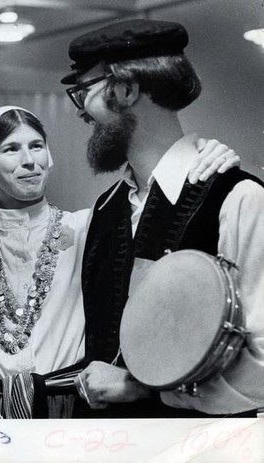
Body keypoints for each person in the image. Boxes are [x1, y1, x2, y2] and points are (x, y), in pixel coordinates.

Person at [0, 105, 240, 418]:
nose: (30, 161)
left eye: (36, 146)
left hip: (75, 406)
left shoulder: (90, 226)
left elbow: (151, 194)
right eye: (11, 149)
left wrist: (205, 153)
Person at [60, 19, 264, 417]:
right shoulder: (105, 209)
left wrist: (143, 389)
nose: (81, 111)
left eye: (83, 91)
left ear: (126, 89)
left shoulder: (240, 198)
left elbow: (261, 363)